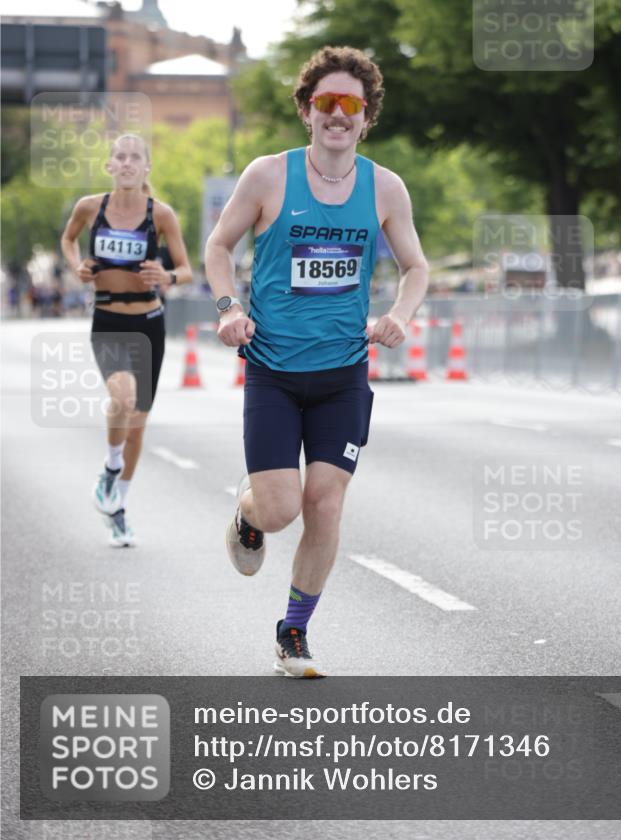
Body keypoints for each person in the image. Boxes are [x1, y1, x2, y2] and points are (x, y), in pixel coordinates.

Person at [205, 46, 429, 676]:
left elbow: (416, 267)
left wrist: (400, 315)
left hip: (342, 375)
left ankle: (294, 632)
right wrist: (227, 307)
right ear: (307, 111)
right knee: (280, 510)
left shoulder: (385, 188)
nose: (337, 113)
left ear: (366, 117)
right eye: (325, 101)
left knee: (325, 504)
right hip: (274, 371)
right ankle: (249, 511)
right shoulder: (268, 177)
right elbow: (219, 247)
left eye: (350, 104)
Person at [61, 133, 192, 546]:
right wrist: (77, 267)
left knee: (137, 427)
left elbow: (186, 270)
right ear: (110, 166)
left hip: (149, 323)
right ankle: (111, 466)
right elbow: (68, 239)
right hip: (108, 320)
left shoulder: (161, 215)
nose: (128, 162)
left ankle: (118, 507)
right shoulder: (90, 207)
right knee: (122, 397)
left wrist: (166, 276)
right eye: (120, 156)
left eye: (136, 157)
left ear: (146, 167)